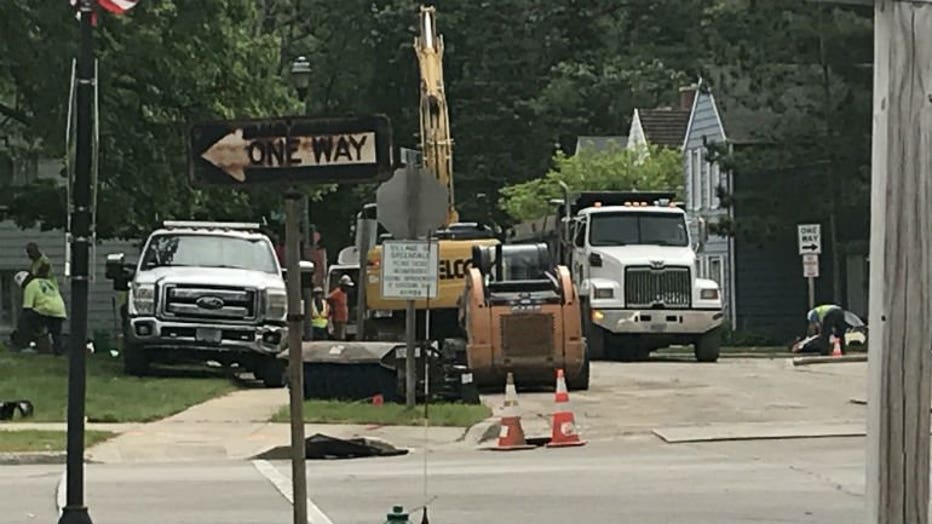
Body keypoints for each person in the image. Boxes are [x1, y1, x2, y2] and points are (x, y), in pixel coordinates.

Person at [12, 270, 67, 355]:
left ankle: (25, 345)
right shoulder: (46, 282)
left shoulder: (30, 286)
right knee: (56, 334)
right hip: (60, 310)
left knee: (25, 320)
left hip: (46, 310)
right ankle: (58, 352)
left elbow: (27, 308)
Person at [327, 275, 353, 341]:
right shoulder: (337, 292)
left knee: (342, 336)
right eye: (346, 286)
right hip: (338, 318)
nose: (348, 288)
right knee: (339, 337)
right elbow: (328, 298)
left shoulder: (344, 294)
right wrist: (332, 308)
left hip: (343, 318)